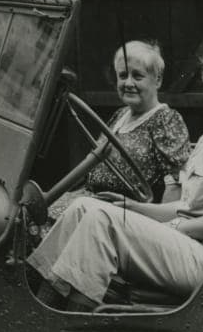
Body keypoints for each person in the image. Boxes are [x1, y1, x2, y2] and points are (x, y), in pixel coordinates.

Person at [29, 36, 203, 311]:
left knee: (101, 220)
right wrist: (133, 207)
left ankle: (68, 321)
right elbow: (186, 206)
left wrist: (176, 227)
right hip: (190, 243)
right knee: (84, 207)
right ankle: (36, 302)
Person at [47, 40, 191, 222]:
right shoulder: (120, 115)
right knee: (34, 216)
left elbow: (175, 185)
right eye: (123, 76)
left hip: (126, 213)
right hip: (93, 201)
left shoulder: (166, 119)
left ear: (158, 80)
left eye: (138, 76)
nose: (128, 83)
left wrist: (158, 231)